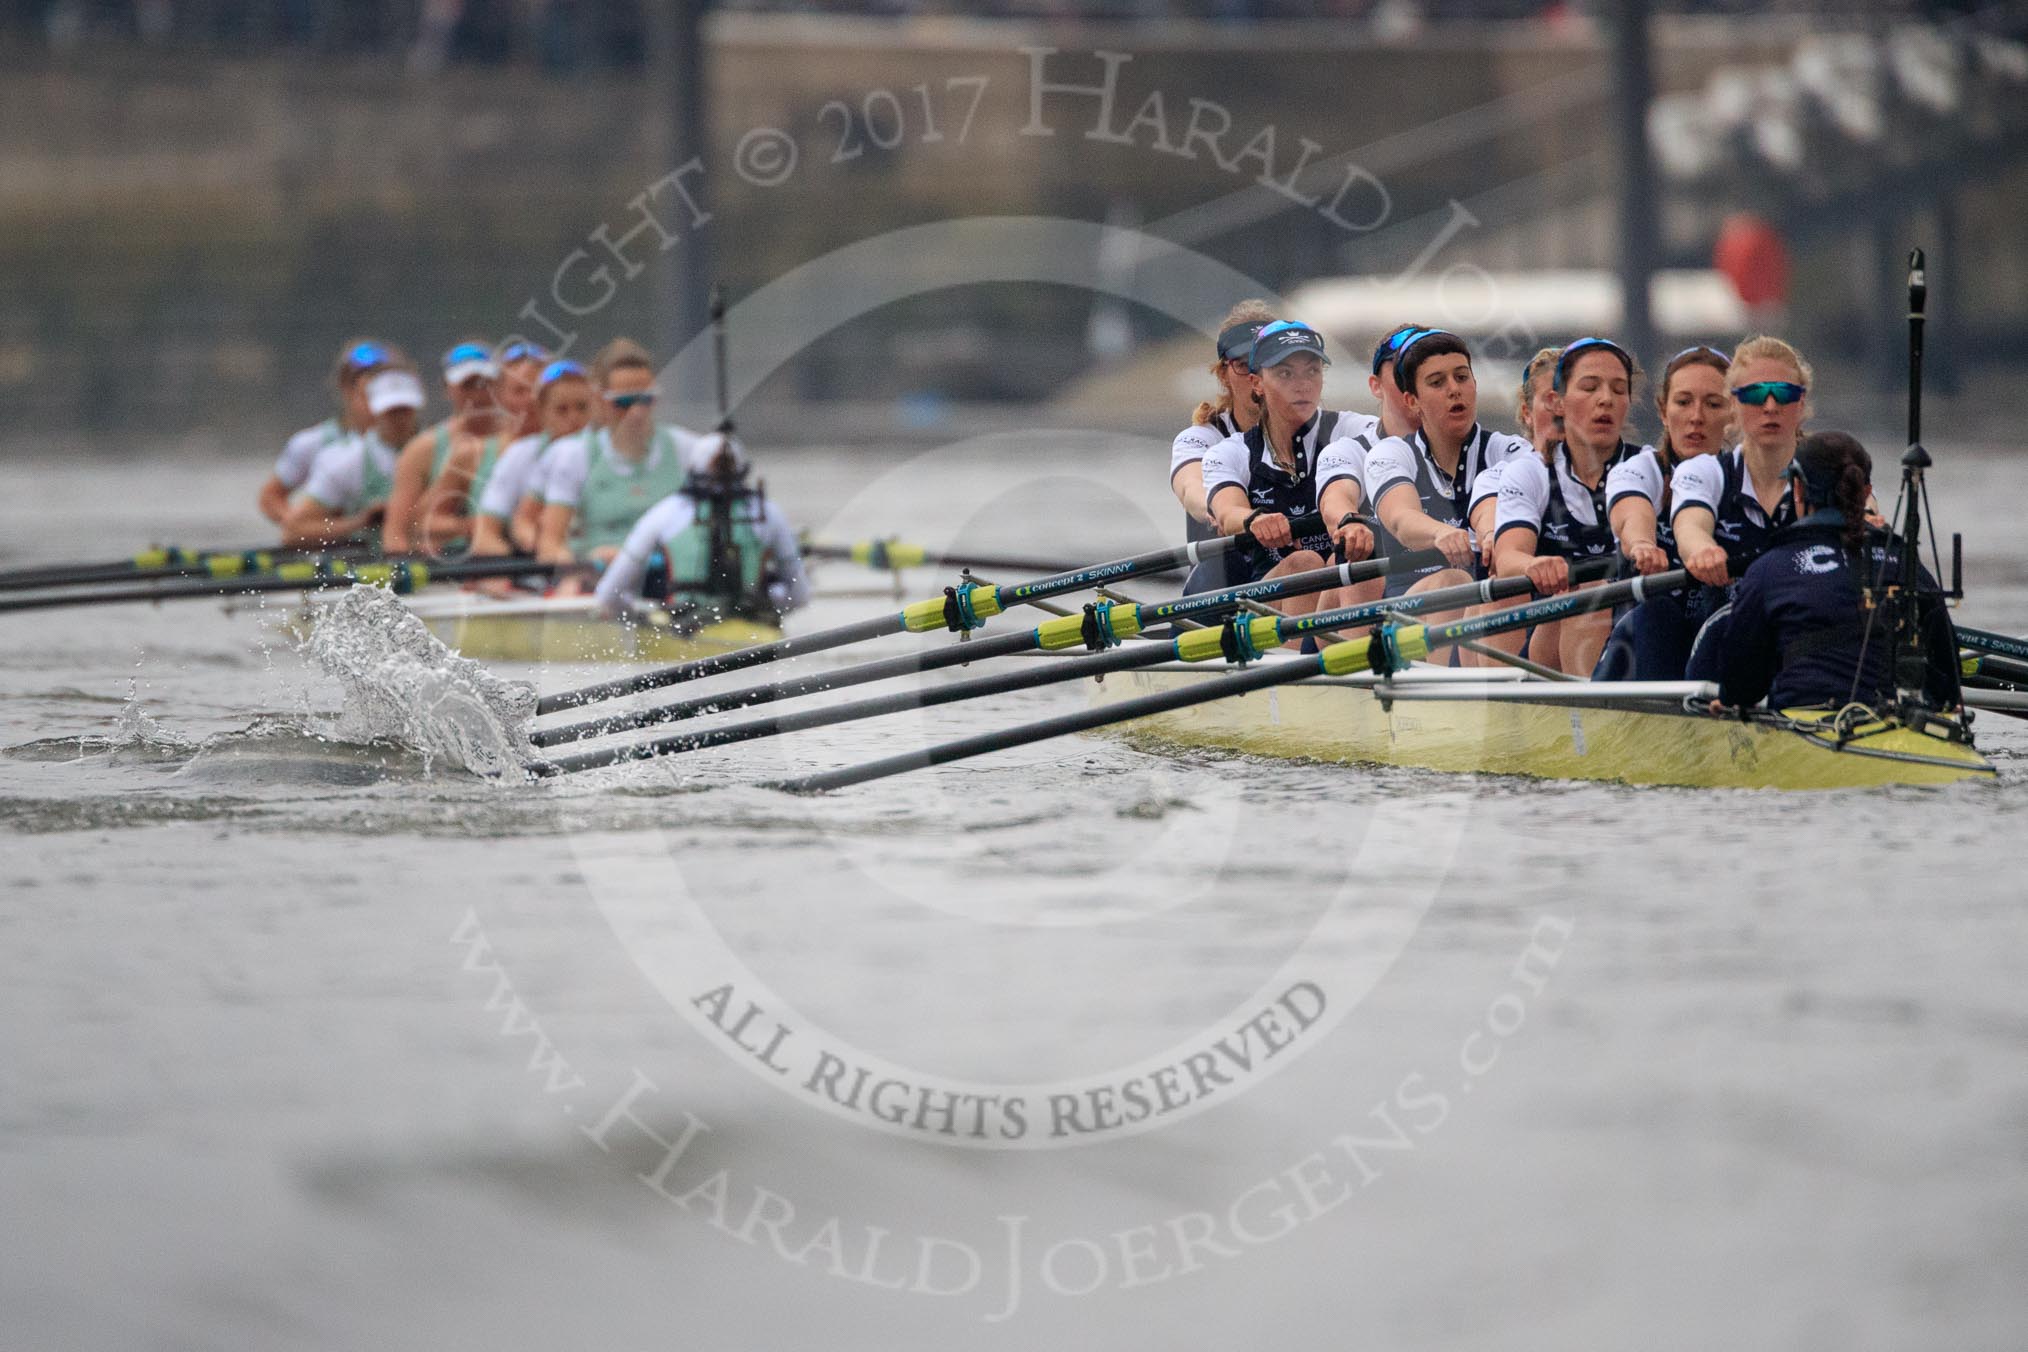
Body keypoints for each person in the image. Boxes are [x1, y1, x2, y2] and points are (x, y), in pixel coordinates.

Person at [1713, 431, 1960, 713]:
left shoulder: (1771, 568)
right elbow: (1949, 684)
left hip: (1806, 727)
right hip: (1904, 724)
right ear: (1866, 493)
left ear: (1798, 490)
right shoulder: (1905, 561)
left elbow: (1738, 689)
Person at [1492, 337, 1649, 675]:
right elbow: (1507, 559)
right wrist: (1534, 565)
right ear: (1557, 402)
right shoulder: (1529, 471)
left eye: (1619, 390)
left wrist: (1641, 544)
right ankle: (1588, 719)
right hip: (1550, 630)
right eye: (1590, 388)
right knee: (1588, 593)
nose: (1605, 399)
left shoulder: (1649, 465)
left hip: (1637, 621)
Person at [1201, 321, 1374, 623]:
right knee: (1304, 563)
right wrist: (1254, 519)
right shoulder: (1231, 452)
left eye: (1312, 370)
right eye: (1285, 373)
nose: (1302, 384)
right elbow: (1228, 512)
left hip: (1339, 588)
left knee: (1344, 562)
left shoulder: (1354, 429)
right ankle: (1298, 664)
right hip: (1264, 601)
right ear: (1257, 383)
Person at [1591, 344, 1736, 680]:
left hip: (1719, 636)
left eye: (1713, 404)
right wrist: (1641, 543)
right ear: (1662, 410)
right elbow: (1631, 512)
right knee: (1656, 614)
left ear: (1733, 414)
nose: (1696, 417)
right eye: (1683, 402)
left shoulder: (1746, 477)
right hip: (1643, 645)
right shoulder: (1642, 470)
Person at [536, 338, 708, 580]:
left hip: (673, 583)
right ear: (600, 401)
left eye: (645, 400)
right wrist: (573, 574)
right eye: (624, 402)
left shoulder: (689, 449)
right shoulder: (574, 456)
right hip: (598, 582)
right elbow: (550, 544)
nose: (636, 413)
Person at [595, 432, 811, 623]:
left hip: (684, 628)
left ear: (691, 469)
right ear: (743, 470)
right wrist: (773, 599)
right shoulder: (769, 512)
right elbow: (800, 597)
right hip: (753, 627)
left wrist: (638, 613)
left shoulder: (665, 512)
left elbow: (607, 595)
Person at [1173, 302, 1275, 594]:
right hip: (1223, 589)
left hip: (1293, 578)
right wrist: (1221, 508)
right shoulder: (1203, 438)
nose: (1257, 378)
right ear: (1223, 375)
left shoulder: (1321, 436)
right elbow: (1190, 488)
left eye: (1267, 364)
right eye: (1244, 366)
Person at [384, 341, 509, 556]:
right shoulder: (423, 449)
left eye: (484, 384)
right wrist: (468, 527)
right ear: (447, 389)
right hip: (447, 568)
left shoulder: (517, 438)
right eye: (467, 386)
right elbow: (396, 534)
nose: (478, 395)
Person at [280, 368, 424, 550]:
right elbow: (294, 531)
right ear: (375, 410)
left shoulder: (446, 449)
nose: (399, 418)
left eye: (405, 409)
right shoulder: (345, 461)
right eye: (391, 411)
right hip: (369, 567)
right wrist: (359, 522)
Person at [257, 340, 394, 525]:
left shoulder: (415, 444)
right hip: (334, 546)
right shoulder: (310, 444)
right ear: (345, 387)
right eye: (368, 392)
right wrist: (306, 528)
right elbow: (270, 498)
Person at [470, 359, 594, 559]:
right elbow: (485, 534)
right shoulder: (518, 454)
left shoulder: (607, 450)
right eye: (562, 409)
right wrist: (533, 544)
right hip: (540, 564)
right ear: (542, 412)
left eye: (582, 408)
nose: (573, 418)